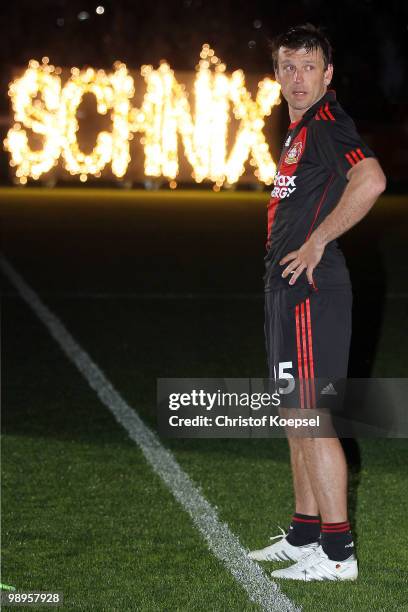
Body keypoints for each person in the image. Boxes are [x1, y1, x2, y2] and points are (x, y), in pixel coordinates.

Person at [248, 24, 386, 581]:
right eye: (288, 66)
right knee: (295, 415)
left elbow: (371, 180)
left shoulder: (327, 124)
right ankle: (306, 532)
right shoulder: (296, 131)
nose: (297, 77)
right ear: (277, 74)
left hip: (312, 288)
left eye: (308, 66)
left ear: (327, 75)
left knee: (312, 415)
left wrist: (317, 241)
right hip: (285, 288)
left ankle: (336, 552)